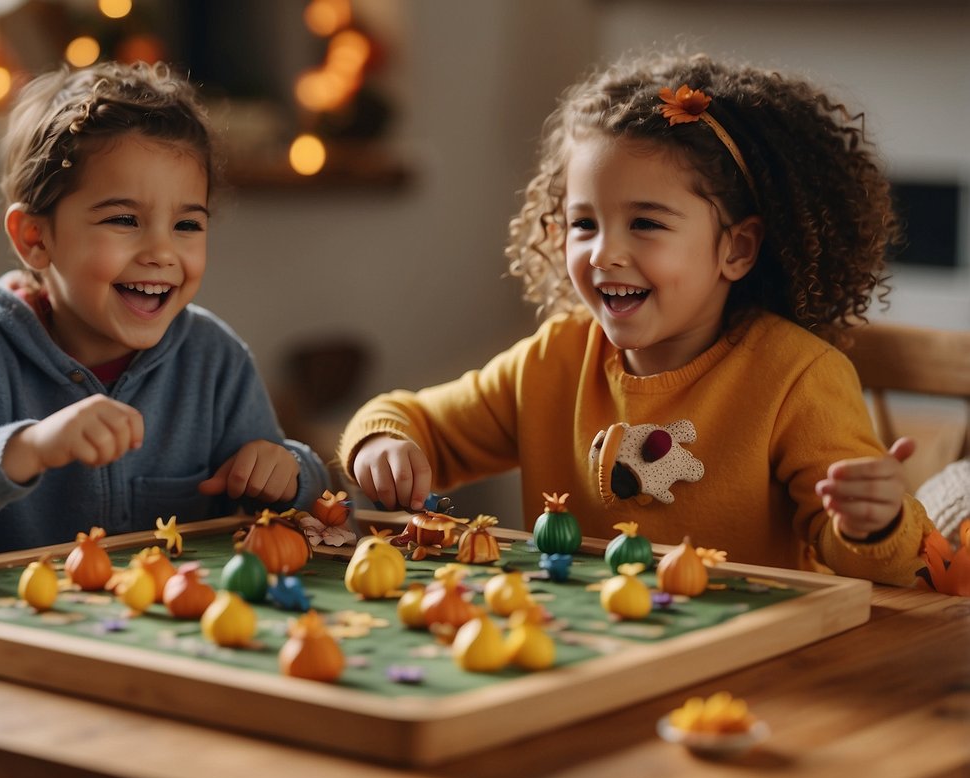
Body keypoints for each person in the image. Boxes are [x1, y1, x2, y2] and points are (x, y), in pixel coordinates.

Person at [338, 50, 933, 586]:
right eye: (583, 223)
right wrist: (385, 443)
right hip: (578, 653)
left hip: (750, 669)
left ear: (737, 249)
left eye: (645, 223)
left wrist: (871, 524)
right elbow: (413, 419)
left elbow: (869, 563)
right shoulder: (556, 358)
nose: (603, 254)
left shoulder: (797, 377)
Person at [0, 61, 330, 565]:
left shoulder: (215, 361)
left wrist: (291, 472)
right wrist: (26, 448)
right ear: (35, 239)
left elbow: (307, 510)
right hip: (7, 633)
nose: (162, 252)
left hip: (174, 635)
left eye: (187, 225)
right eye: (125, 219)